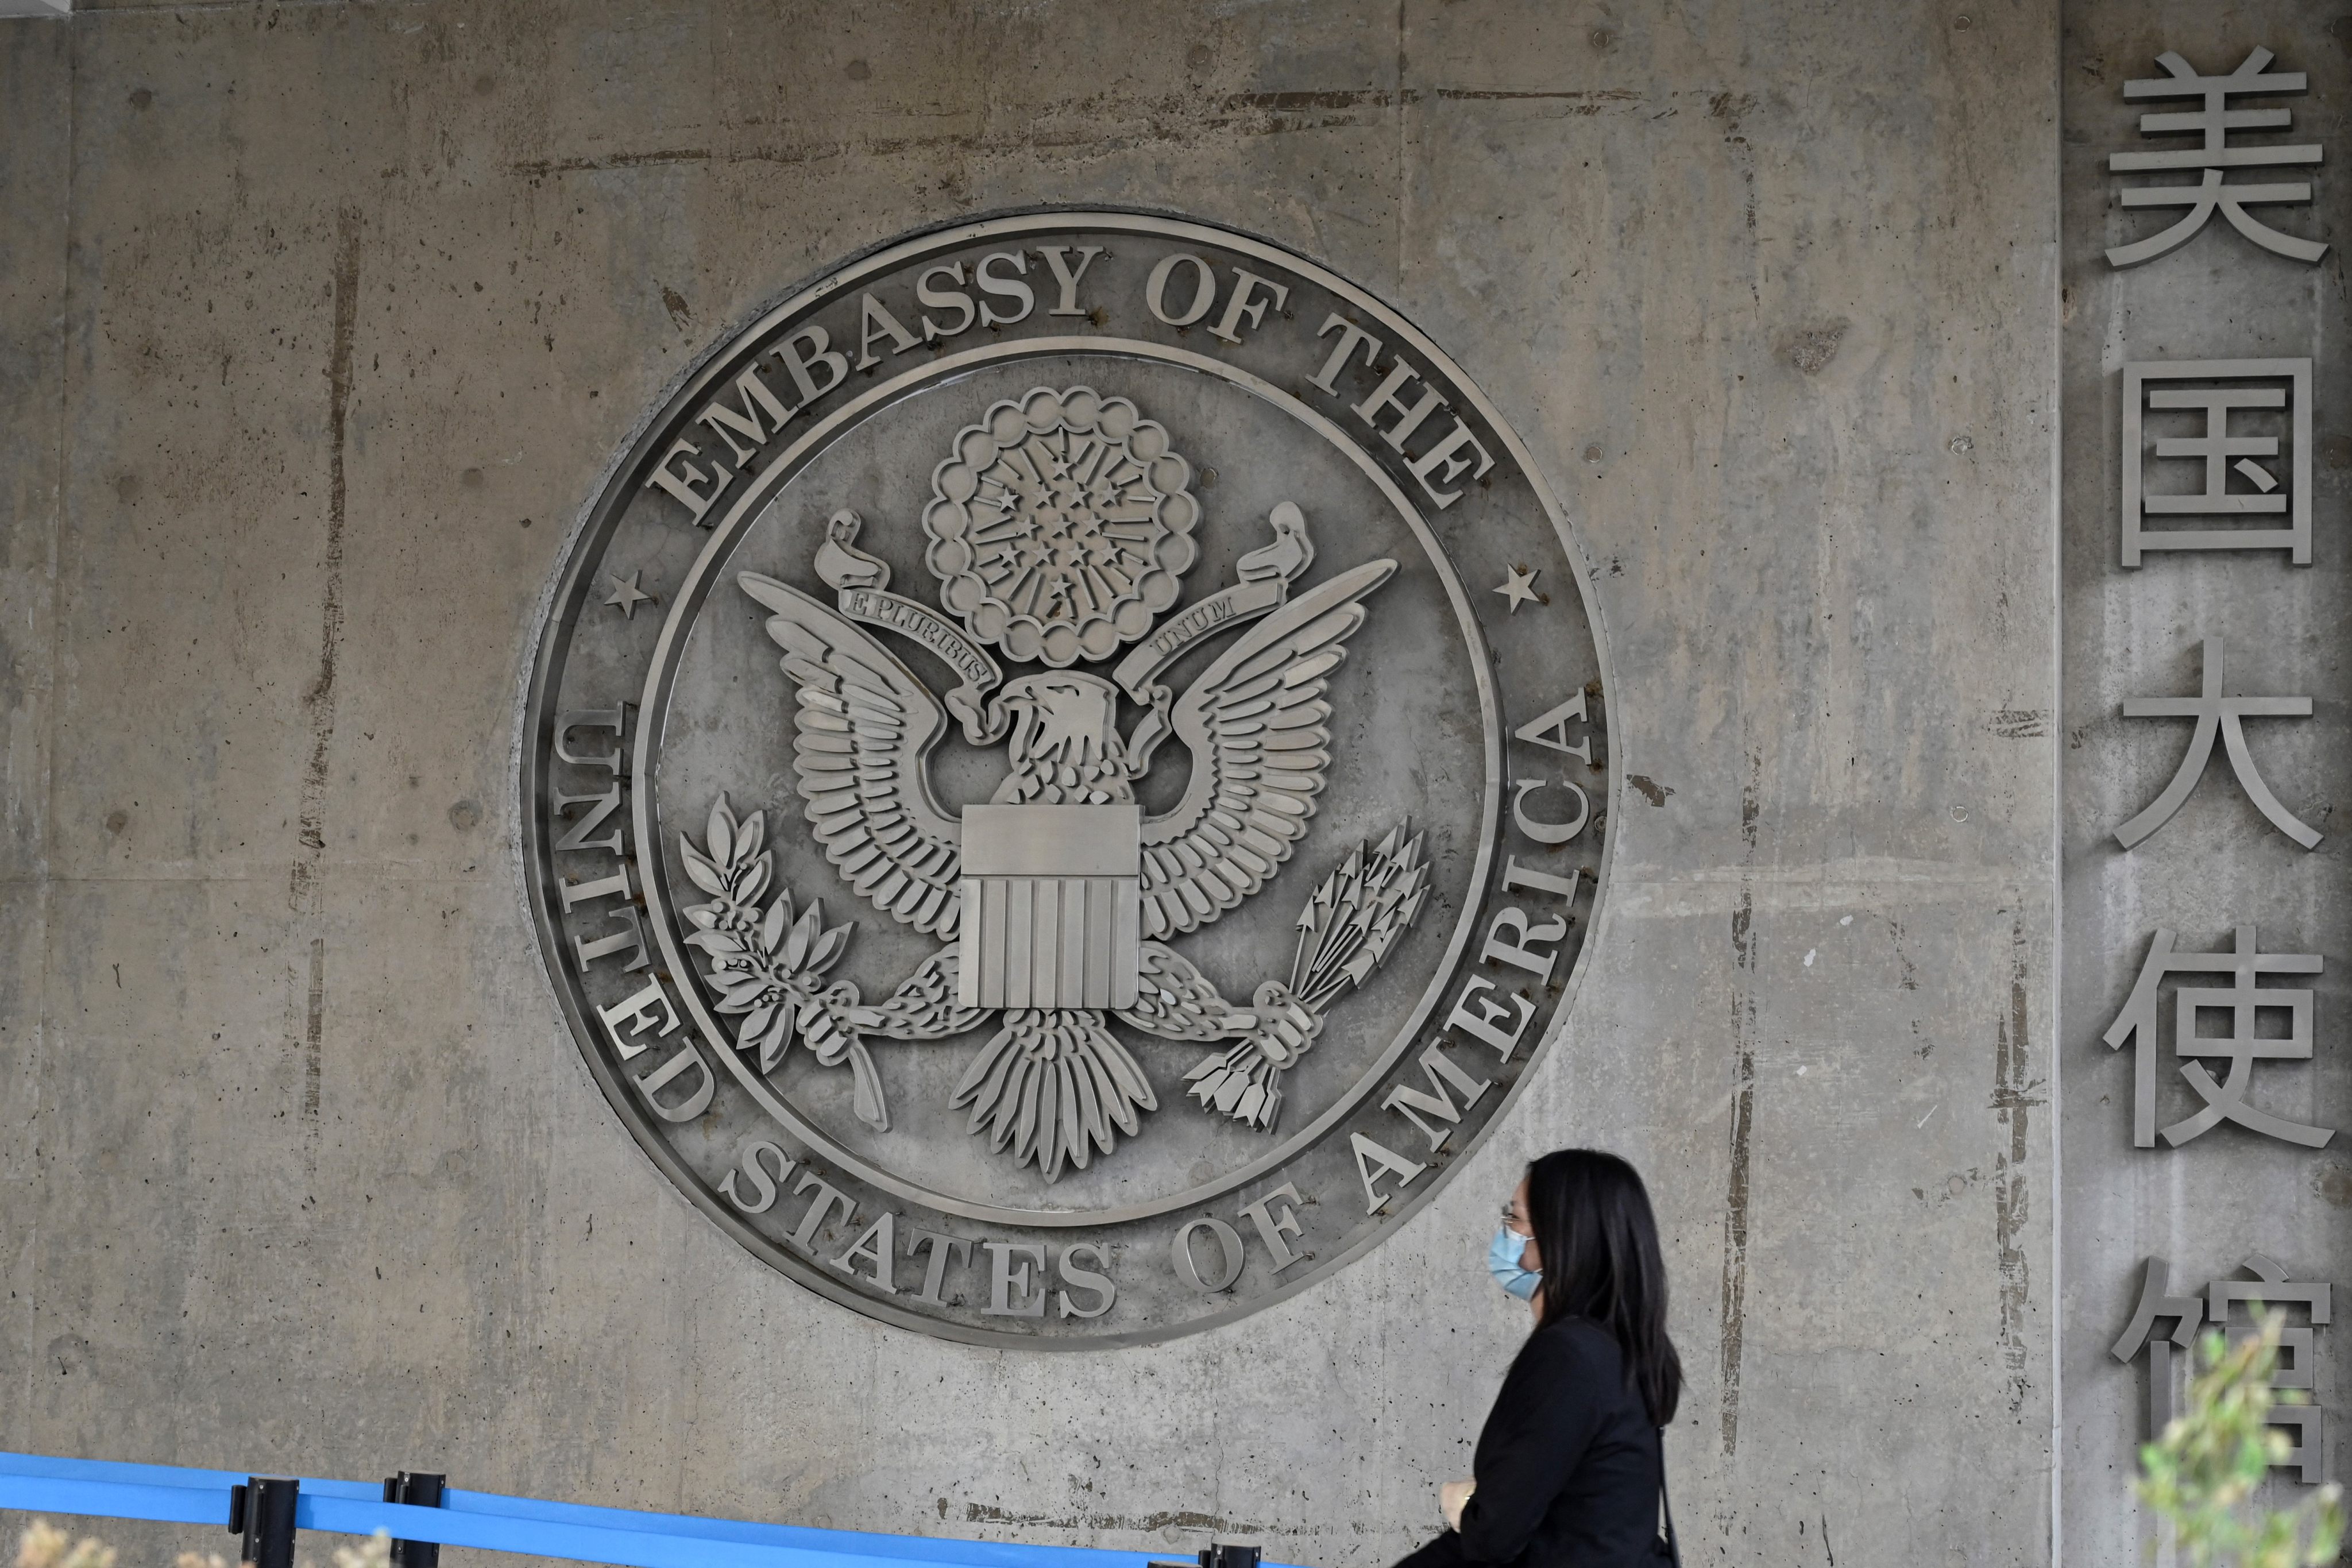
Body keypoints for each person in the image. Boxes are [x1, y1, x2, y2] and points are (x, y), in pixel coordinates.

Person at [1395, 1149, 1683, 1568]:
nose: (1509, 1230)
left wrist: (1469, 1503)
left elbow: (1496, 1535)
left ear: (1560, 1231)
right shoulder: (1625, 1347)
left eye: (1516, 1218)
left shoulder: (1569, 1357)